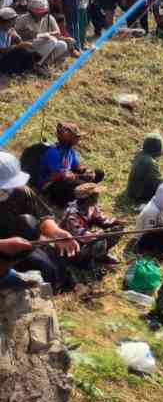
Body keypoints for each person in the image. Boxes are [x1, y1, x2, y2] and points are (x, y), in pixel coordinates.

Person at [0, 151, 78, 291]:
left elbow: (42, 217)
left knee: (51, 269)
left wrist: (56, 232)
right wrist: (3, 245)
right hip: (4, 246)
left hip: (15, 245)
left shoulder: (19, 191)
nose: (9, 190)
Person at [34, 122, 104, 206]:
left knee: (98, 173)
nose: (77, 139)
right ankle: (71, 201)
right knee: (77, 184)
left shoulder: (70, 151)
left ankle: (83, 195)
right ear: (67, 137)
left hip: (66, 178)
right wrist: (77, 177)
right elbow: (56, 175)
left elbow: (77, 166)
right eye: (75, 137)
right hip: (51, 184)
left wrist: (87, 170)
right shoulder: (53, 152)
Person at [61, 182, 122, 268]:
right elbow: (84, 237)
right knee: (100, 240)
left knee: (117, 228)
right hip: (75, 246)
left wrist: (115, 222)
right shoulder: (72, 215)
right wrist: (103, 233)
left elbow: (101, 220)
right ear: (88, 199)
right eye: (96, 195)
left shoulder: (91, 207)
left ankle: (102, 254)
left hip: (88, 239)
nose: (98, 196)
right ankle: (85, 262)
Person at [15, 0, 71, 66]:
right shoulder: (22, 19)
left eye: (42, 12)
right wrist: (26, 33)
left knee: (62, 45)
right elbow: (15, 33)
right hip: (29, 45)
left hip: (45, 43)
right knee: (52, 41)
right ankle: (36, 65)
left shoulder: (49, 18)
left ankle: (44, 63)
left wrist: (45, 35)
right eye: (37, 12)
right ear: (30, 11)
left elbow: (57, 32)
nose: (40, 14)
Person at [0, 6, 38, 76]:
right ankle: (16, 73)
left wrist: (18, 38)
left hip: (6, 59)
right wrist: (19, 45)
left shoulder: (10, 30)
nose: (14, 22)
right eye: (13, 20)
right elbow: (2, 50)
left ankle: (31, 70)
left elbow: (19, 42)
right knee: (20, 50)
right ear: (5, 22)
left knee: (31, 51)